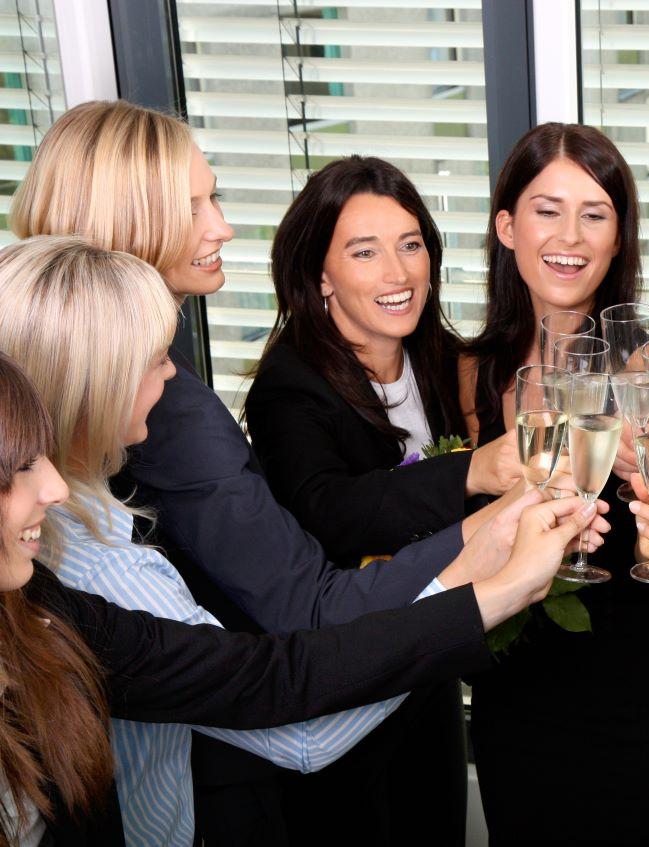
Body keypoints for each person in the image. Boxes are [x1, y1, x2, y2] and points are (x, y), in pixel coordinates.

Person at [6, 99, 540, 845]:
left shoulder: (440, 354)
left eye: (412, 243)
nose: (222, 225)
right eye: (195, 205)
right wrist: (480, 557)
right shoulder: (177, 419)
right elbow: (301, 624)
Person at [0, 346, 591, 846]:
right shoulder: (97, 566)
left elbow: (274, 674)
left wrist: (482, 563)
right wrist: (500, 586)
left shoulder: (50, 598)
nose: (53, 488)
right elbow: (297, 721)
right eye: (20, 467)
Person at [242, 156, 523, 843]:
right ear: (320, 275)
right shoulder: (290, 385)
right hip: (346, 695)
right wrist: (472, 473)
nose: (398, 274)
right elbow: (326, 510)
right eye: (365, 252)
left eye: (410, 244)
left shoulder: (432, 355)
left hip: (425, 670)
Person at [459, 122, 649, 846]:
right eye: (547, 209)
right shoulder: (462, 373)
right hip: (516, 705)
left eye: (595, 213)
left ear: (617, 237)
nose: (570, 235)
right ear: (507, 226)